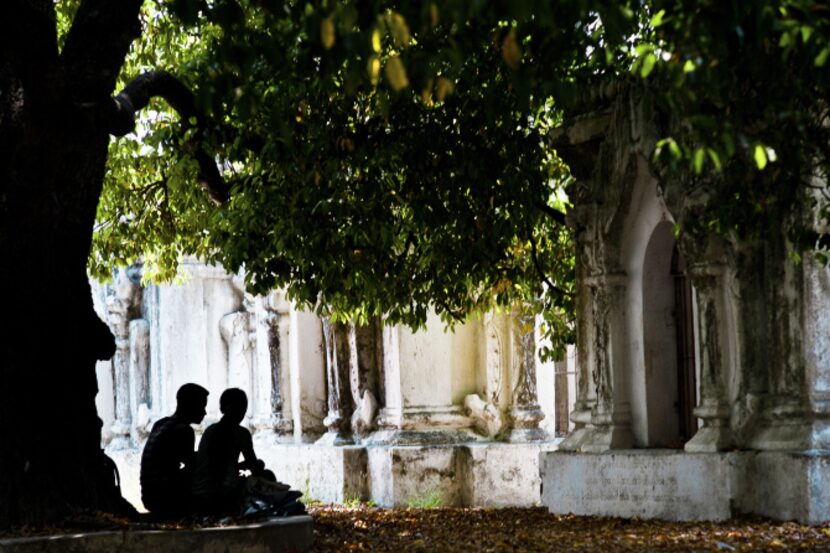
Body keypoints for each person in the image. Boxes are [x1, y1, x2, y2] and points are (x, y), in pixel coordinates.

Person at [191, 388, 265, 514]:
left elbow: (216, 464)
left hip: (200, 493)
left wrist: (239, 466)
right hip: (223, 496)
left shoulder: (210, 431)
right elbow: (254, 468)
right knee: (266, 475)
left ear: (221, 409)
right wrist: (257, 464)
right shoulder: (241, 433)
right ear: (243, 410)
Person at [140, 383, 209, 518]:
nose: (205, 412)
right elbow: (191, 466)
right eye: (202, 406)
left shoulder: (160, 424)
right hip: (165, 499)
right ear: (191, 406)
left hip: (148, 496)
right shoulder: (183, 430)